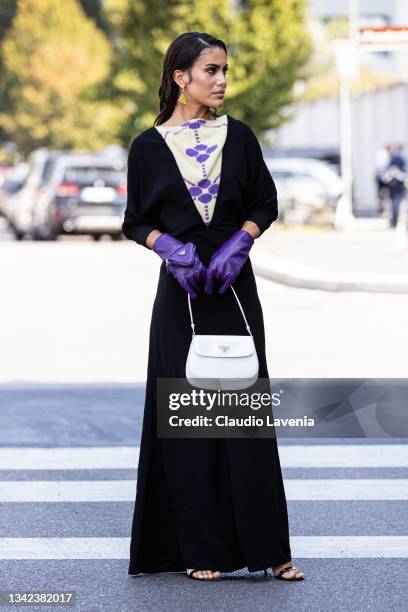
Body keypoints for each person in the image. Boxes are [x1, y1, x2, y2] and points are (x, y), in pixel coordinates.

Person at [122, 31, 304, 582]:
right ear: (181, 77)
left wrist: (240, 242)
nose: (222, 80)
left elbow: (265, 203)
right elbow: (135, 221)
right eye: (211, 70)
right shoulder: (148, 146)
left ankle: (272, 550)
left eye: (225, 70)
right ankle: (200, 550)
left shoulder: (241, 138)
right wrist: (170, 249)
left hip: (233, 291)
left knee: (245, 418)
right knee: (190, 422)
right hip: (180, 296)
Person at [383, 144, 406, 228]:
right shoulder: (401, 159)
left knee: (394, 203)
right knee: (396, 202)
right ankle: (394, 219)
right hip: (399, 184)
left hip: (394, 184)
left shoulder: (392, 159)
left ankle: (394, 220)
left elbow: (387, 172)